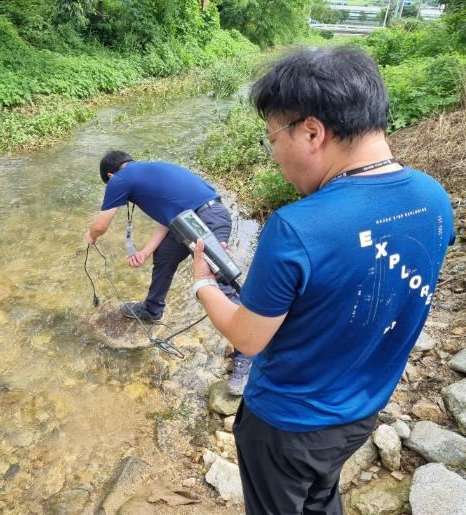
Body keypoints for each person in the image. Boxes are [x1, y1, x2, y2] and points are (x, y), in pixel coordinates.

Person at [191, 47, 455, 514]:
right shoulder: (434, 199)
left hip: (286, 425)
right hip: (361, 412)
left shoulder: (298, 226)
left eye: (272, 137)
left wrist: (203, 284)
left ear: (312, 131)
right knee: (320, 495)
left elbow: (248, 339)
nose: (273, 155)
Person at [86, 152, 252, 394]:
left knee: (221, 285)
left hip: (206, 220)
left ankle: (246, 354)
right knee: (164, 255)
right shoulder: (150, 169)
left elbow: (101, 224)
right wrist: (144, 251)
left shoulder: (120, 178)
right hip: (190, 220)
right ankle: (152, 309)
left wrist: (91, 236)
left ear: (111, 175)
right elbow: (167, 219)